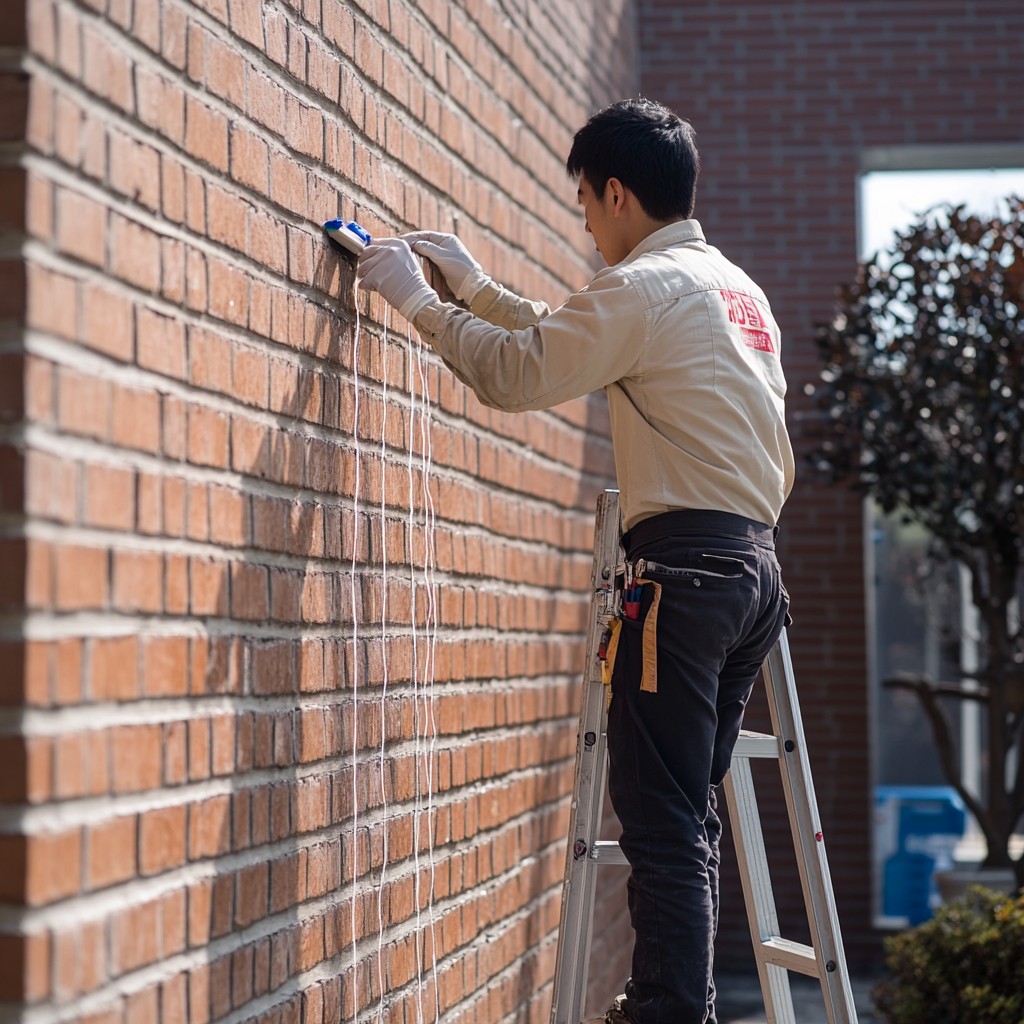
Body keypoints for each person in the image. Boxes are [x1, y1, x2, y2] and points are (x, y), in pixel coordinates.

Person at [357, 97, 794, 1024]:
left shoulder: (642, 287)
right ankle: (680, 1000)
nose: (588, 226)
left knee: (662, 818)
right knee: (687, 812)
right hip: (753, 576)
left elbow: (521, 374)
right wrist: (474, 288)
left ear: (619, 192)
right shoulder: (733, 290)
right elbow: (571, 340)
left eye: (587, 205)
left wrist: (416, 304)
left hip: (683, 575)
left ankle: (671, 1010)